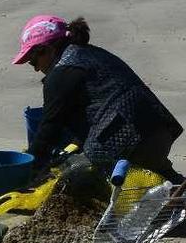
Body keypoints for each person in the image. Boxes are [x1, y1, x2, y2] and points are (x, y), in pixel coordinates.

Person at [12, 15, 184, 183]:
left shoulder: (60, 74)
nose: (35, 69)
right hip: (159, 131)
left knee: (69, 181)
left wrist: (28, 171)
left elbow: (49, 127)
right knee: (165, 180)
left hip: (129, 143)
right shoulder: (94, 53)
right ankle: (174, 185)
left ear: (47, 50)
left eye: (33, 61)